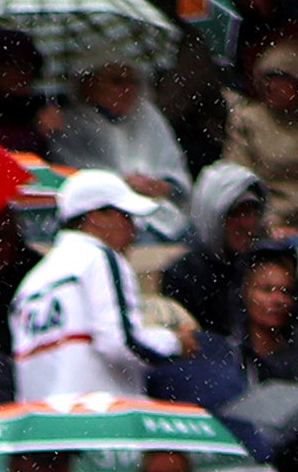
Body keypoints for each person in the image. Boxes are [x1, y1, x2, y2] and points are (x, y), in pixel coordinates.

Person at [11, 166, 179, 403]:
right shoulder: (99, 257)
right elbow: (121, 344)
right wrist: (175, 342)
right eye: (126, 216)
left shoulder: (29, 284)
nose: (134, 228)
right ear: (96, 217)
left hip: (44, 420)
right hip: (101, 416)